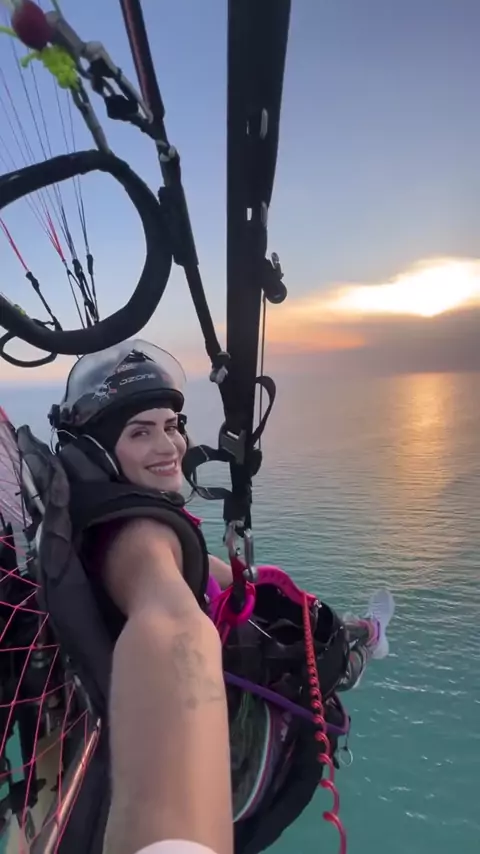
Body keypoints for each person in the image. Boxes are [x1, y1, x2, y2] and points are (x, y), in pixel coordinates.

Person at [50, 339, 395, 854]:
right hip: (237, 698)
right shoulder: (141, 540)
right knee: (329, 652)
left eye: (171, 426)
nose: (168, 447)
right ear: (99, 451)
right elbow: (172, 626)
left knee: (293, 605)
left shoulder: (103, 514)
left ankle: (359, 630)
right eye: (140, 432)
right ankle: (364, 641)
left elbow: (214, 574)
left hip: (228, 635)